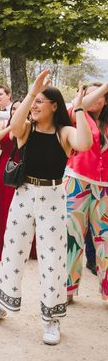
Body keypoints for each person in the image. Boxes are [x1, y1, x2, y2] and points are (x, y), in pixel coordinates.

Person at [0, 71, 92, 346]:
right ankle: (1, 303)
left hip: (53, 196)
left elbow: (86, 143)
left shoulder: (64, 132)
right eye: (34, 102)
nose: (35, 106)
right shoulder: (27, 129)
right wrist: (32, 92)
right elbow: (15, 125)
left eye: (41, 101)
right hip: (23, 194)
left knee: (53, 258)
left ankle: (51, 318)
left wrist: (78, 107)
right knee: (12, 251)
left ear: (55, 105)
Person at [0, 100, 38, 260]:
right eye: (14, 109)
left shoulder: (31, 125)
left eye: (20, 109)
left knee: (15, 208)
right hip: (3, 168)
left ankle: (18, 247)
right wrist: (11, 125)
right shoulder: (4, 123)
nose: (16, 111)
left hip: (22, 170)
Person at [64, 81, 108, 303]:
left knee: (106, 239)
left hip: (105, 186)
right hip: (77, 181)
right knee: (73, 236)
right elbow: (82, 104)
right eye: (91, 94)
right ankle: (68, 290)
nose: (95, 98)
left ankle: (107, 290)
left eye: (100, 95)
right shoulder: (76, 114)